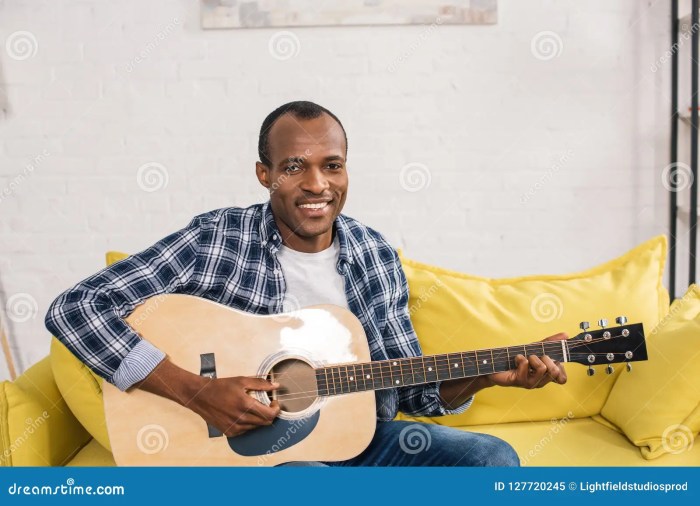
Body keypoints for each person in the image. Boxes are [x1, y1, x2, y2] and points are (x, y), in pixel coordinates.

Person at [45, 101, 568, 467]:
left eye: (332, 166)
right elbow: (77, 307)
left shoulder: (374, 253)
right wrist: (200, 392)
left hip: (363, 440)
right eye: (294, 167)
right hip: (259, 460)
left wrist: (484, 375)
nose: (317, 185)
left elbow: (415, 393)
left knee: (490, 460)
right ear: (264, 174)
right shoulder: (217, 239)